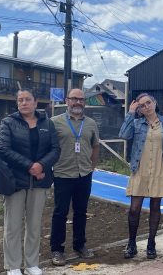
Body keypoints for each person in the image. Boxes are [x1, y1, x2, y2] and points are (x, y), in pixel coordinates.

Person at [0, 89, 60, 275]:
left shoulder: (47, 123)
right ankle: (13, 266)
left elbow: (55, 150)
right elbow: (3, 149)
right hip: (15, 181)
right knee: (12, 226)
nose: (23, 103)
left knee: (34, 225)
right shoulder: (8, 122)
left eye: (27, 99)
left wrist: (41, 165)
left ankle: (32, 263)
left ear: (35, 102)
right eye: (20, 100)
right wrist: (30, 166)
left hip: (40, 181)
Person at [119, 93, 163, 259]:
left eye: (148, 103)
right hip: (140, 170)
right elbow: (123, 135)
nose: (146, 106)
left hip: (159, 169)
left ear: (154, 103)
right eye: (142, 105)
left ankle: (151, 243)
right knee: (134, 208)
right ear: (140, 110)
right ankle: (132, 243)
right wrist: (130, 113)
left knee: (155, 207)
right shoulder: (136, 123)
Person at [50, 88, 100, 266]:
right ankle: (57, 249)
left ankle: (80, 245)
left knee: (81, 211)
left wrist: (91, 167)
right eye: (74, 99)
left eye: (81, 99)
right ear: (66, 100)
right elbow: (49, 147)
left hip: (84, 174)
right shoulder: (54, 122)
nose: (78, 102)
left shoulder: (91, 123)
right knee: (60, 212)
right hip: (63, 173)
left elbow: (95, 146)